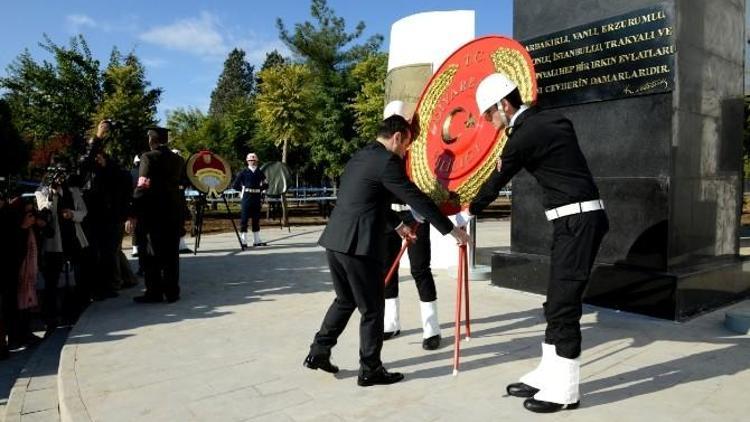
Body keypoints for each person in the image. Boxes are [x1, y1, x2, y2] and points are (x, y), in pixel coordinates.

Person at [465, 73, 609, 413]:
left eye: (489, 114)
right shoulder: (547, 121)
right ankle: (548, 373)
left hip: (578, 221)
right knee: (554, 301)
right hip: (571, 221)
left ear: (504, 104)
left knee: (563, 305)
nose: (489, 122)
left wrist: (465, 212)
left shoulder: (524, 134)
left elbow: (497, 179)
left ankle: (566, 391)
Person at [304, 115, 471, 387]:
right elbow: (416, 198)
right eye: (406, 144)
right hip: (358, 246)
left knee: (345, 300)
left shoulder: (361, 156)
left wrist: (397, 226)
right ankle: (370, 369)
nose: (406, 151)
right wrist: (452, 230)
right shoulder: (388, 161)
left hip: (335, 242)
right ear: (397, 137)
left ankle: (318, 351)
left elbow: (368, 199)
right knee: (372, 308)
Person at [380, 101, 442, 351]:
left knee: (420, 269)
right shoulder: (384, 150)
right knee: (388, 269)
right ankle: (390, 323)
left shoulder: (418, 147)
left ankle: (432, 329)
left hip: (415, 214)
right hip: (389, 216)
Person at [129, 127, 186, 304]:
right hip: (173, 212)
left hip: (152, 213)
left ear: (151, 140)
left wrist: (133, 209)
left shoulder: (148, 157)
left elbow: (143, 185)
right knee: (171, 254)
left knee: (151, 254)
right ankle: (172, 292)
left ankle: (154, 292)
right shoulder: (178, 159)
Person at [232, 153, 268, 247]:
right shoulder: (243, 172)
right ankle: (243, 240)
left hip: (256, 196)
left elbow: (266, 184)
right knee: (244, 218)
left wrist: (261, 189)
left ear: (257, 161)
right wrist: (242, 190)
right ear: (247, 161)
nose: (252, 162)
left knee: (256, 218)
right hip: (247, 196)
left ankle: (256, 240)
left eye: (254, 160)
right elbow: (235, 185)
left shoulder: (260, 172)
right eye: (250, 160)